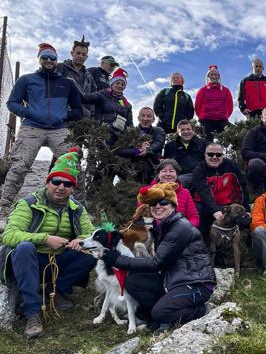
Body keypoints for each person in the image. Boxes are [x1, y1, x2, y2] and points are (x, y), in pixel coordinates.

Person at [0, 149, 96, 338]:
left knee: (92, 251)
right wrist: (44, 239)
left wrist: (81, 240)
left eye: (67, 184)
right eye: (56, 181)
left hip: (57, 261)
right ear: (47, 182)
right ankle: (32, 312)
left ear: (72, 188)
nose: (61, 187)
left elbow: (90, 232)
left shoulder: (77, 208)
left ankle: (54, 292)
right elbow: (9, 235)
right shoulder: (28, 203)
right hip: (28, 260)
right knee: (25, 247)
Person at [101, 182, 216, 330]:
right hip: (174, 279)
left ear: (173, 206)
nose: (158, 206)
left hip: (196, 283)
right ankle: (154, 319)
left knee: (161, 312)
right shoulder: (163, 227)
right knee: (133, 281)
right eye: (153, 203)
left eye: (164, 202)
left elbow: (156, 263)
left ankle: (201, 310)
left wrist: (117, 259)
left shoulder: (180, 227)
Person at [0, 43, 82, 225]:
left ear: (57, 60)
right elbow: (12, 103)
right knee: (19, 166)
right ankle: (4, 209)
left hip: (59, 128)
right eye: (45, 57)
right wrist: (30, 113)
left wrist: (63, 116)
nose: (49, 60)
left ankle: (78, 209)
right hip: (32, 126)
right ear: (39, 59)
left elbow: (77, 109)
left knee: (72, 165)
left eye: (52, 58)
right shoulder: (26, 80)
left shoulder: (68, 83)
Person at [192, 143, 249, 240]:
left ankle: (242, 242)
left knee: (243, 217)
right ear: (205, 155)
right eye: (210, 154)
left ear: (222, 155)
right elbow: (204, 193)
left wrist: (245, 208)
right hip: (205, 204)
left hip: (227, 204)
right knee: (198, 211)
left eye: (218, 154)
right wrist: (215, 210)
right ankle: (200, 241)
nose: (214, 157)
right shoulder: (199, 170)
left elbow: (241, 188)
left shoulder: (231, 165)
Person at [137, 159, 200, 228]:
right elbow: (141, 214)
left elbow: (194, 217)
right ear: (158, 175)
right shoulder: (148, 191)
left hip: (179, 232)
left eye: (171, 171)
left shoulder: (185, 192)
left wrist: (184, 228)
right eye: (164, 171)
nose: (168, 174)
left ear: (177, 175)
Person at [83, 68, 134, 146]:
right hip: (102, 135)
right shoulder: (102, 94)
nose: (120, 86)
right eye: (117, 83)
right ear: (111, 83)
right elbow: (86, 98)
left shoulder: (127, 104)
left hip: (120, 138)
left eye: (122, 84)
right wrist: (74, 85)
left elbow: (130, 125)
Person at [117, 107, 166, 184]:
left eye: (149, 116)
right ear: (138, 118)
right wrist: (137, 151)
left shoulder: (159, 130)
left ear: (153, 119)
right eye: (143, 116)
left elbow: (158, 143)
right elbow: (120, 150)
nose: (145, 119)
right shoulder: (130, 132)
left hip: (153, 168)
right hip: (132, 170)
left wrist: (148, 149)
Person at [56, 35, 97, 118]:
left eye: (83, 54)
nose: (80, 56)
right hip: (63, 113)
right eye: (78, 53)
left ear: (86, 57)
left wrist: (92, 117)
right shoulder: (60, 67)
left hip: (83, 117)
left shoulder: (89, 77)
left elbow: (93, 99)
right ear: (72, 53)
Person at [163, 120, 207, 188]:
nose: (186, 132)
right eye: (182, 130)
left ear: (193, 131)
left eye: (188, 129)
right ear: (178, 132)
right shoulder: (170, 146)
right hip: (177, 176)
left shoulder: (203, 143)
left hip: (198, 175)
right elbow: (166, 163)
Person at [195, 65, 233, 142]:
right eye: (211, 74)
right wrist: (202, 117)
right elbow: (197, 106)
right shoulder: (203, 90)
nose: (214, 76)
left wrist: (224, 116)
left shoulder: (226, 90)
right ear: (208, 77)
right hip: (206, 120)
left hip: (221, 120)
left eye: (216, 74)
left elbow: (230, 106)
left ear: (219, 77)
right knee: (207, 141)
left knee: (230, 135)